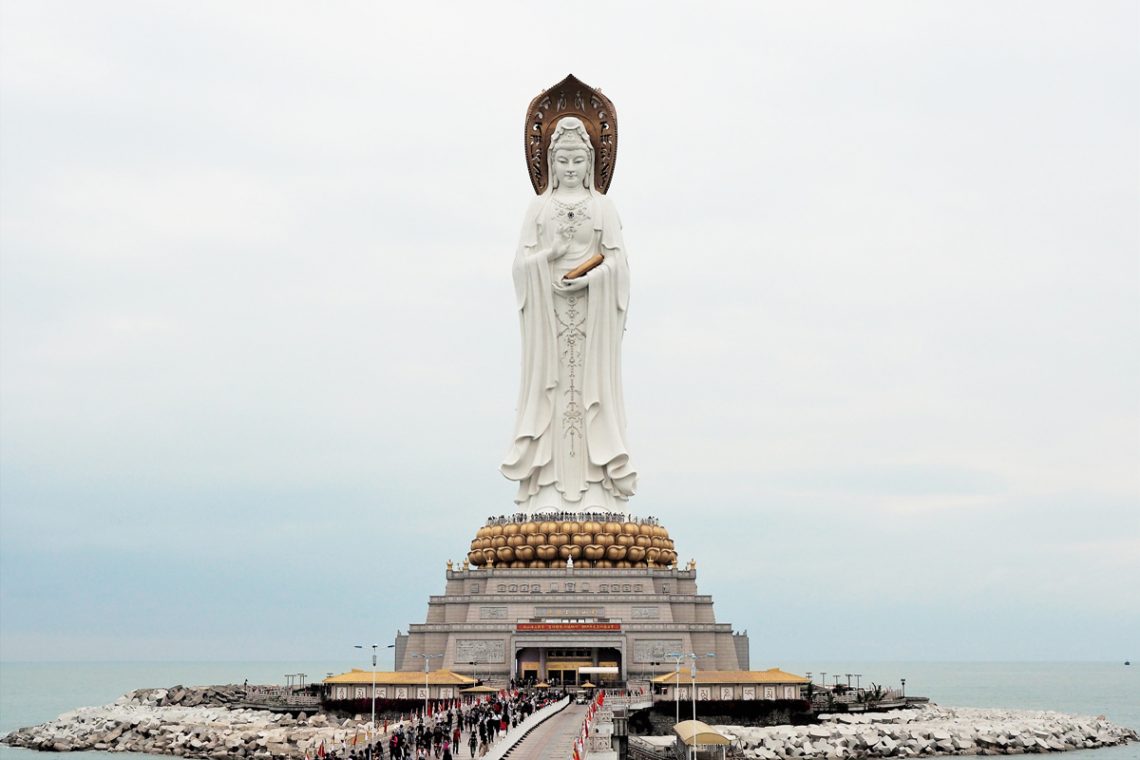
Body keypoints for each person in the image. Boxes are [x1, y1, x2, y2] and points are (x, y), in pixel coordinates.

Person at [501, 116, 638, 515]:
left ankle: (598, 485)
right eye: (563, 161)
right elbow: (519, 267)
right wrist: (551, 255)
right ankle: (547, 486)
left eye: (579, 160)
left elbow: (619, 265)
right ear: (551, 162)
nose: (571, 169)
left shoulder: (603, 208)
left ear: (592, 162)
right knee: (553, 391)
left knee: (590, 391)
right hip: (549, 321)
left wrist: (591, 281)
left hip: (593, 323)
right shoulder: (539, 208)